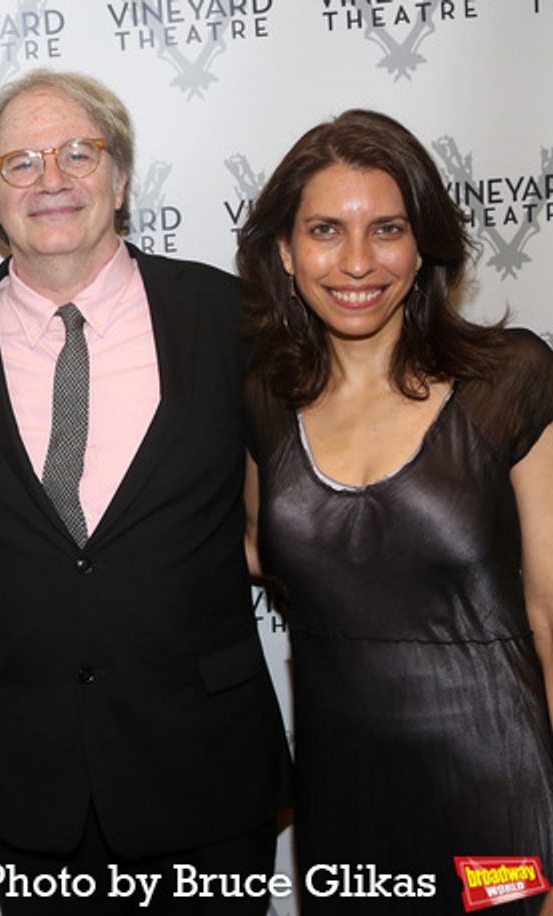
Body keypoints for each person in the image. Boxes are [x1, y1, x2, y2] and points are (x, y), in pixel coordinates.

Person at [0, 69, 290, 914]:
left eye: (81, 152)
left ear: (120, 178)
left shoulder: (231, 318)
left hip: (208, 769)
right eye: (21, 163)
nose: (52, 180)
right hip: (31, 778)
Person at [237, 109, 553, 913]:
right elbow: (248, 548)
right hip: (343, 802)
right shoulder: (266, 402)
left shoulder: (507, 380)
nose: (355, 261)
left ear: (423, 248)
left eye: (386, 229)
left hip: (497, 796)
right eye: (323, 231)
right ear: (284, 249)